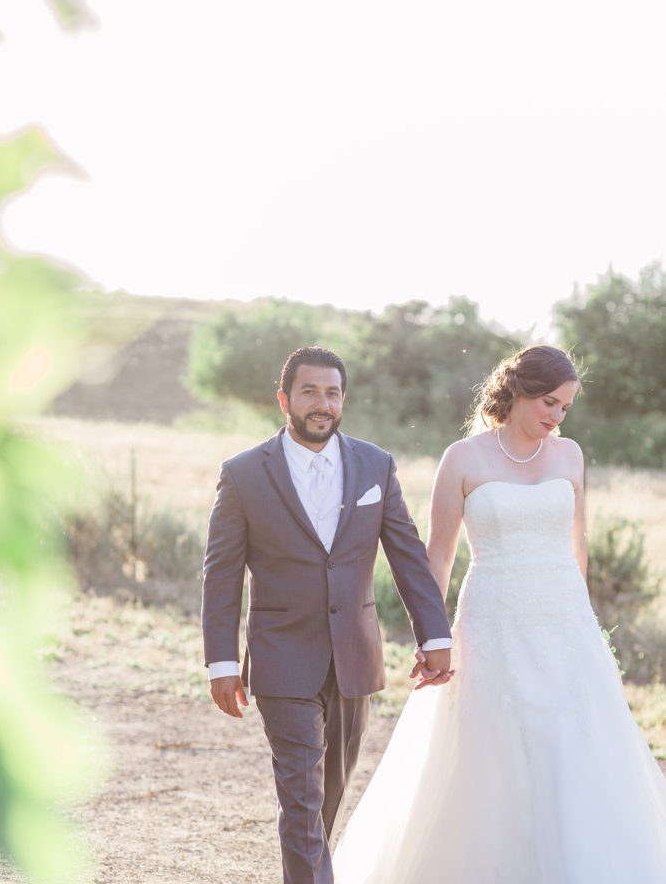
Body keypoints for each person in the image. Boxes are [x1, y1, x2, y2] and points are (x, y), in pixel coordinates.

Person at [333, 344, 666, 883]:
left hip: (562, 621)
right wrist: (431, 633)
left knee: (571, 741)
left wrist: (581, 624)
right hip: (493, 619)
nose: (556, 417)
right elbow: (437, 555)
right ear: (517, 391)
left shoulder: (571, 455)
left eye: (565, 408)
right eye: (549, 403)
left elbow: (577, 545)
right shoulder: (463, 458)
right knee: (493, 744)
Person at [201, 346, 453, 884]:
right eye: (310, 391)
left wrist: (434, 633)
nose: (323, 403)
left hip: (354, 657)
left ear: (344, 400)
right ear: (283, 399)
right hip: (281, 656)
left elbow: (408, 556)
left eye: (332, 392)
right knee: (302, 795)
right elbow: (221, 575)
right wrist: (220, 662)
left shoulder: (375, 466)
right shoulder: (243, 474)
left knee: (327, 795)